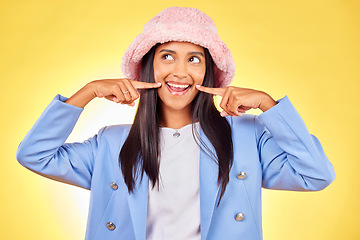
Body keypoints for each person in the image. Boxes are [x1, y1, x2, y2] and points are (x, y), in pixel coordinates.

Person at [16, 7, 335, 240]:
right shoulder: (112, 143)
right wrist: (86, 93)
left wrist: (268, 105)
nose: (180, 72)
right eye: (167, 56)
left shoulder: (247, 136)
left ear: (209, 70)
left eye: (194, 59)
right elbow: (35, 155)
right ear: (148, 67)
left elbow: (316, 175)